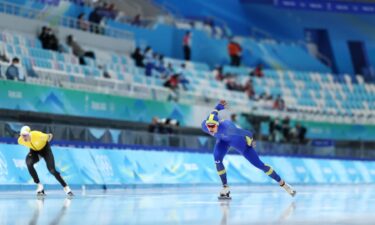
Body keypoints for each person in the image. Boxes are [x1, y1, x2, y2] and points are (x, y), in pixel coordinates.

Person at [201, 100, 296, 199]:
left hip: (240, 143)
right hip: (223, 140)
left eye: (213, 126)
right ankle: (225, 187)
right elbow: (213, 114)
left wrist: (250, 143)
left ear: (218, 124)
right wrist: (217, 107)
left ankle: (284, 184)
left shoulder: (229, 129)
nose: (210, 129)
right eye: (209, 126)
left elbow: (248, 133)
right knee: (217, 159)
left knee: (260, 165)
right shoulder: (205, 126)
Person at [17, 126, 73, 197]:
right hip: (34, 152)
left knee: (52, 170)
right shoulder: (20, 141)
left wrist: (46, 139)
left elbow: (50, 135)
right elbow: (28, 143)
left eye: (25, 135)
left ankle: (66, 187)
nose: (23, 137)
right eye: (22, 135)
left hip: (45, 150)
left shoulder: (38, 135)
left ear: (29, 134)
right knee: (28, 163)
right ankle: (39, 185)